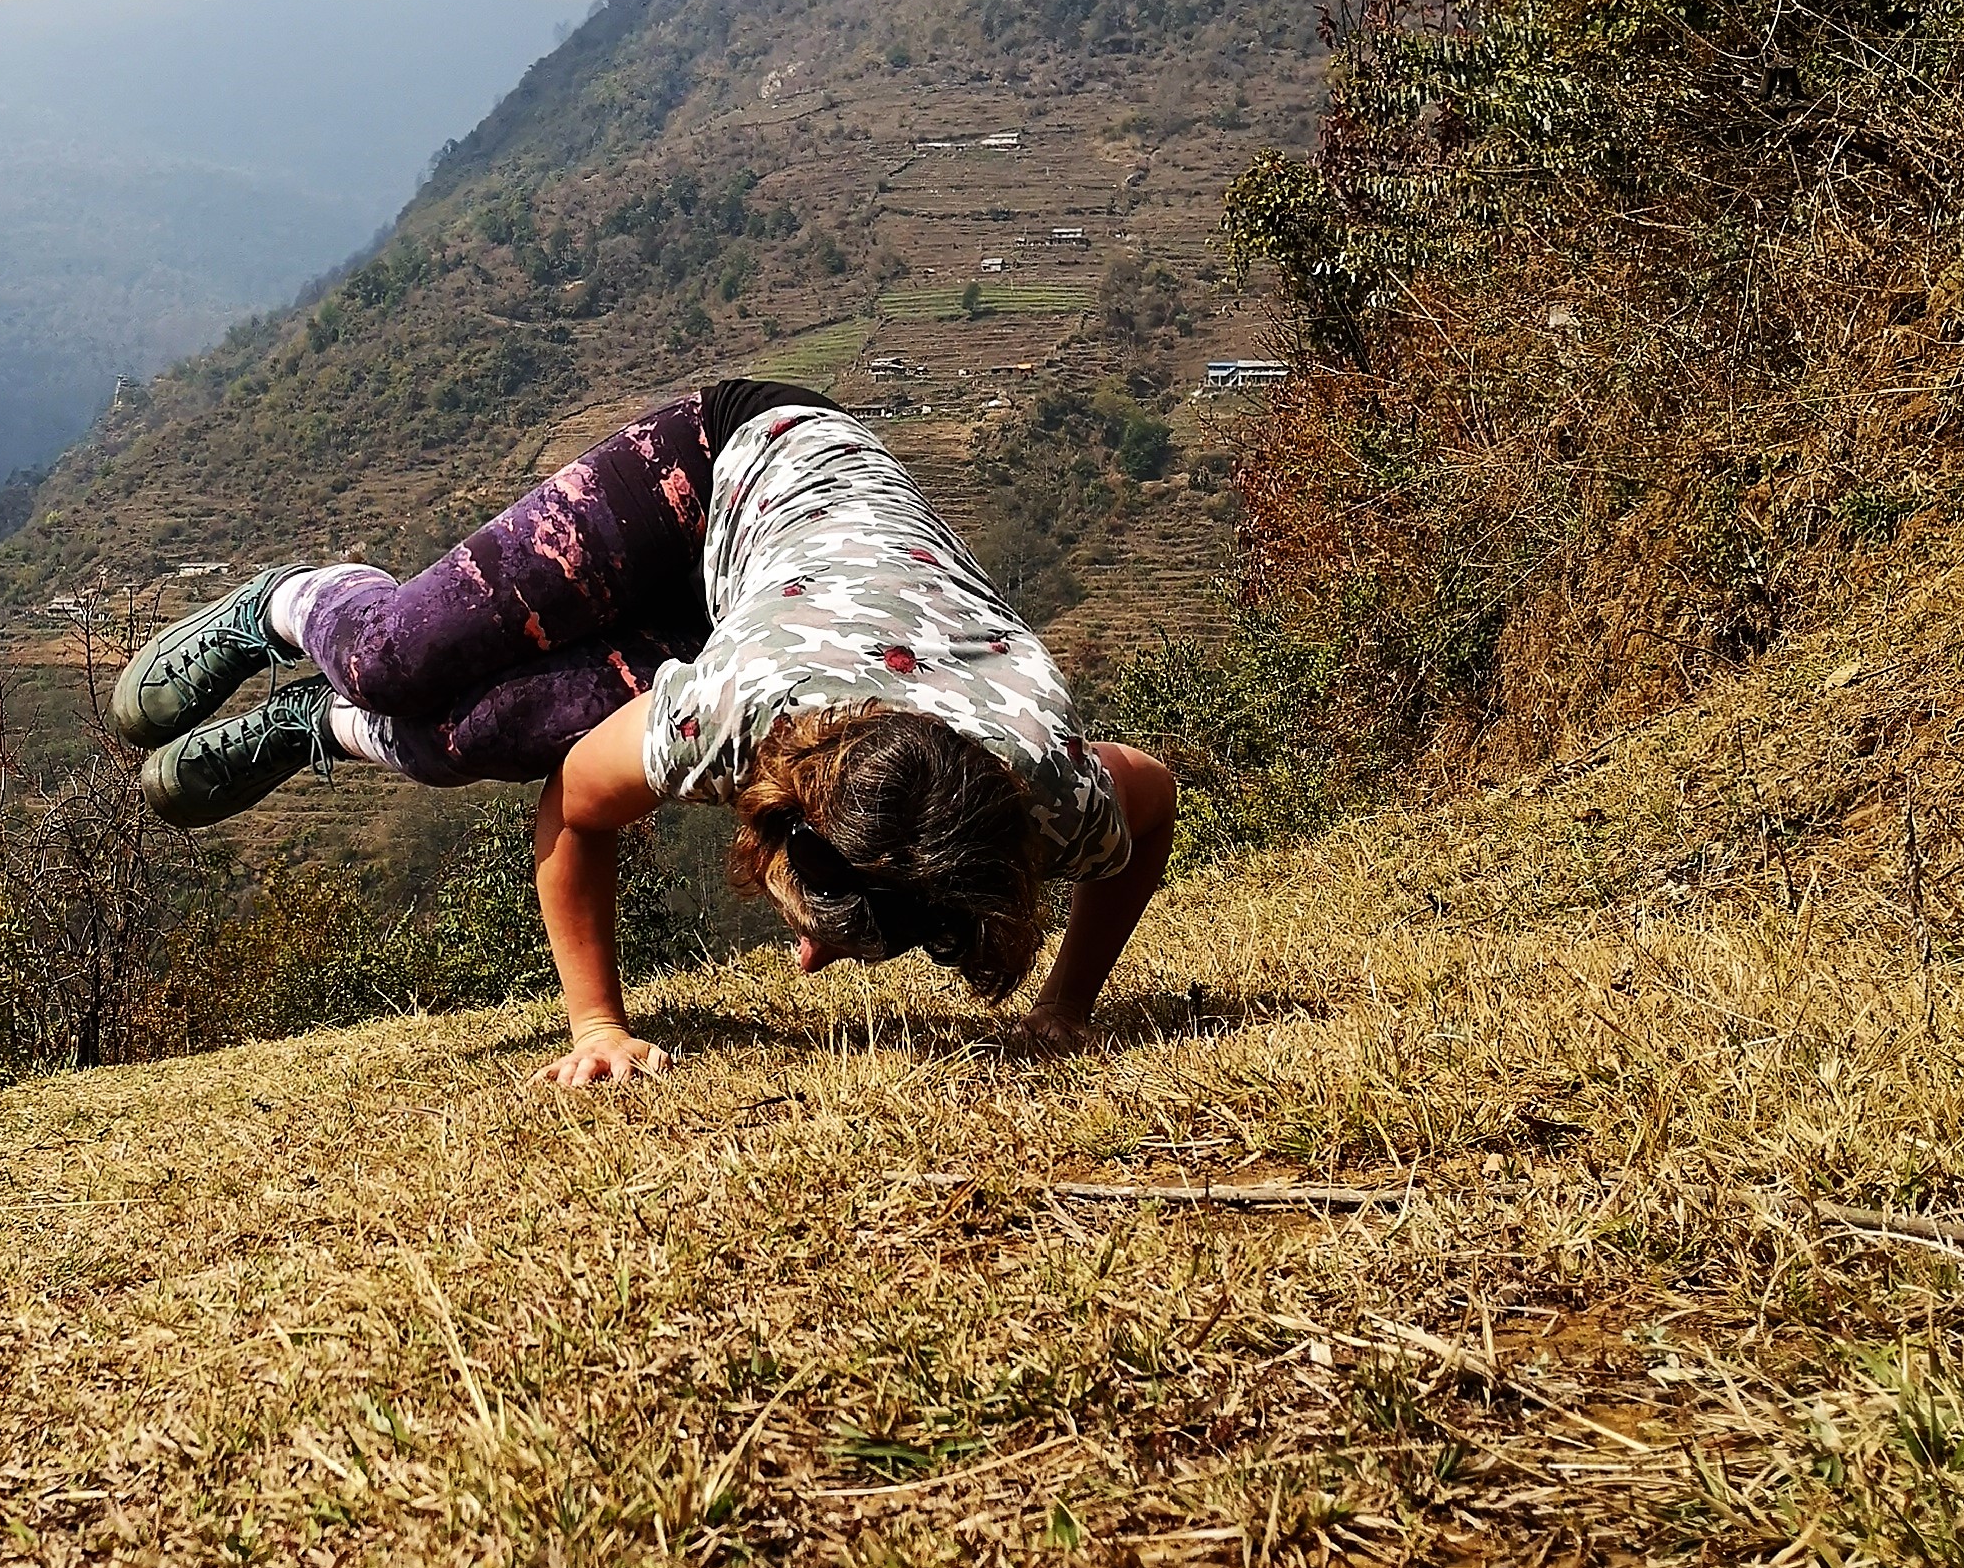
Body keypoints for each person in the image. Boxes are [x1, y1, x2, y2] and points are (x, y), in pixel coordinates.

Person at [109, 380, 1175, 1089]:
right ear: (784, 802)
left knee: (457, 739)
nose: (803, 962)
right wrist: (594, 1023)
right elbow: (576, 800)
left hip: (759, 601)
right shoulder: (744, 709)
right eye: (815, 933)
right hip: (724, 464)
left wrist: (1065, 1006)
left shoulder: (1039, 788)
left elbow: (1152, 791)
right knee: (397, 657)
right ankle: (281, 606)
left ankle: (315, 728)